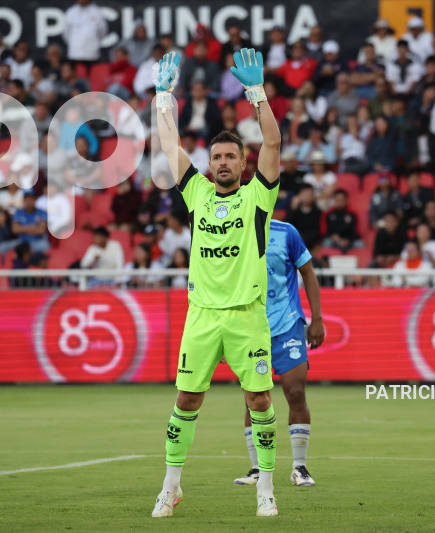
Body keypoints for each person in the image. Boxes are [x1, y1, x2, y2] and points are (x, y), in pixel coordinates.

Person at [151, 49, 282, 518]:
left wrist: (256, 94)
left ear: (243, 162)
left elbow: (273, 144)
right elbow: (169, 148)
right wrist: (163, 97)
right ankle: (171, 487)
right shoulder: (197, 192)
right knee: (186, 399)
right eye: (217, 156)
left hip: (247, 316)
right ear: (209, 163)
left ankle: (265, 488)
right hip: (202, 315)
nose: (223, 162)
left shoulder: (258, 197)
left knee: (260, 399)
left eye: (230, 156)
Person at [233, 219, 324, 487]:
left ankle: (300, 467)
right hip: (250, 327)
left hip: (287, 324)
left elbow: (308, 272)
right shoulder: (234, 230)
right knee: (254, 397)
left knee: (295, 391)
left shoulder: (286, 232)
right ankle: (257, 468)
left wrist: (316, 319)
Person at [63, 0, 107, 67]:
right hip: (74, 54)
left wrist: (93, 43)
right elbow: (66, 33)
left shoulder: (97, 12)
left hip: (92, 54)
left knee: (92, 76)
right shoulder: (71, 12)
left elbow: (102, 31)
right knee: (75, 76)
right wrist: (75, 44)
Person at [286, 184, 322, 249]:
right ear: (299, 196)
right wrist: (293, 209)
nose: (307, 197)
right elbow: (287, 227)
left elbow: (317, 232)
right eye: (304, 194)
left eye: (310, 194)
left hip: (311, 245)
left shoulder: (318, 212)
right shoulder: (293, 211)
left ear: (314, 196)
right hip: (294, 243)